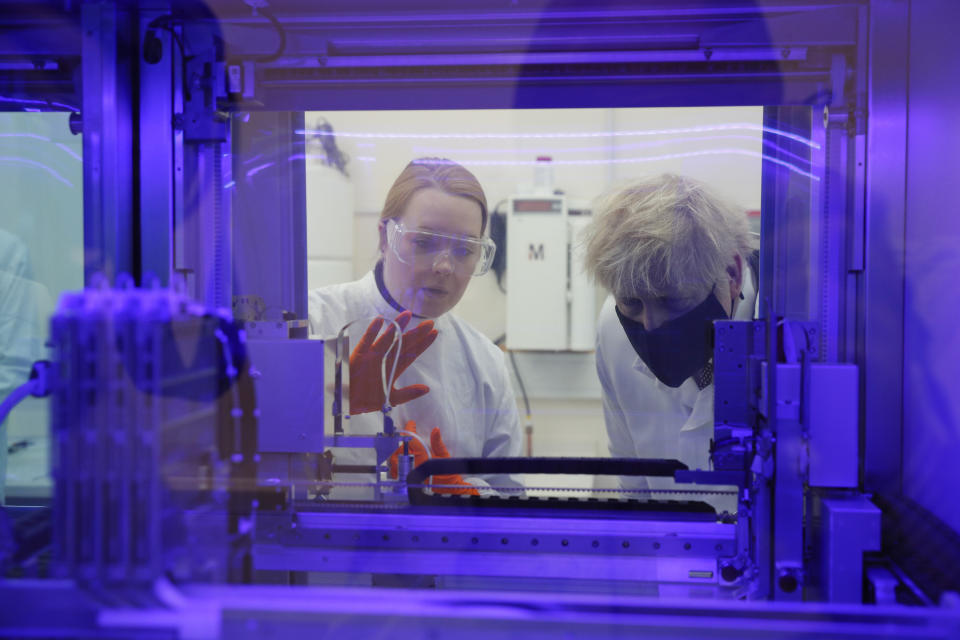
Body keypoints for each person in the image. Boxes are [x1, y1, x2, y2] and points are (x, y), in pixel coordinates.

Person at [308, 158, 523, 495]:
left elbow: (511, 496)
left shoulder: (485, 362)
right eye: (424, 243)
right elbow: (265, 464)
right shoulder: (312, 324)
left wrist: (467, 497)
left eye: (465, 249)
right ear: (384, 238)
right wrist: (342, 412)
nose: (443, 266)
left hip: (444, 546)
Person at [581, 174, 758, 513]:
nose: (650, 325)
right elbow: (633, 484)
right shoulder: (612, 327)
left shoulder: (783, 328)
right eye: (633, 304)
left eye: (672, 301)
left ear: (732, 275)